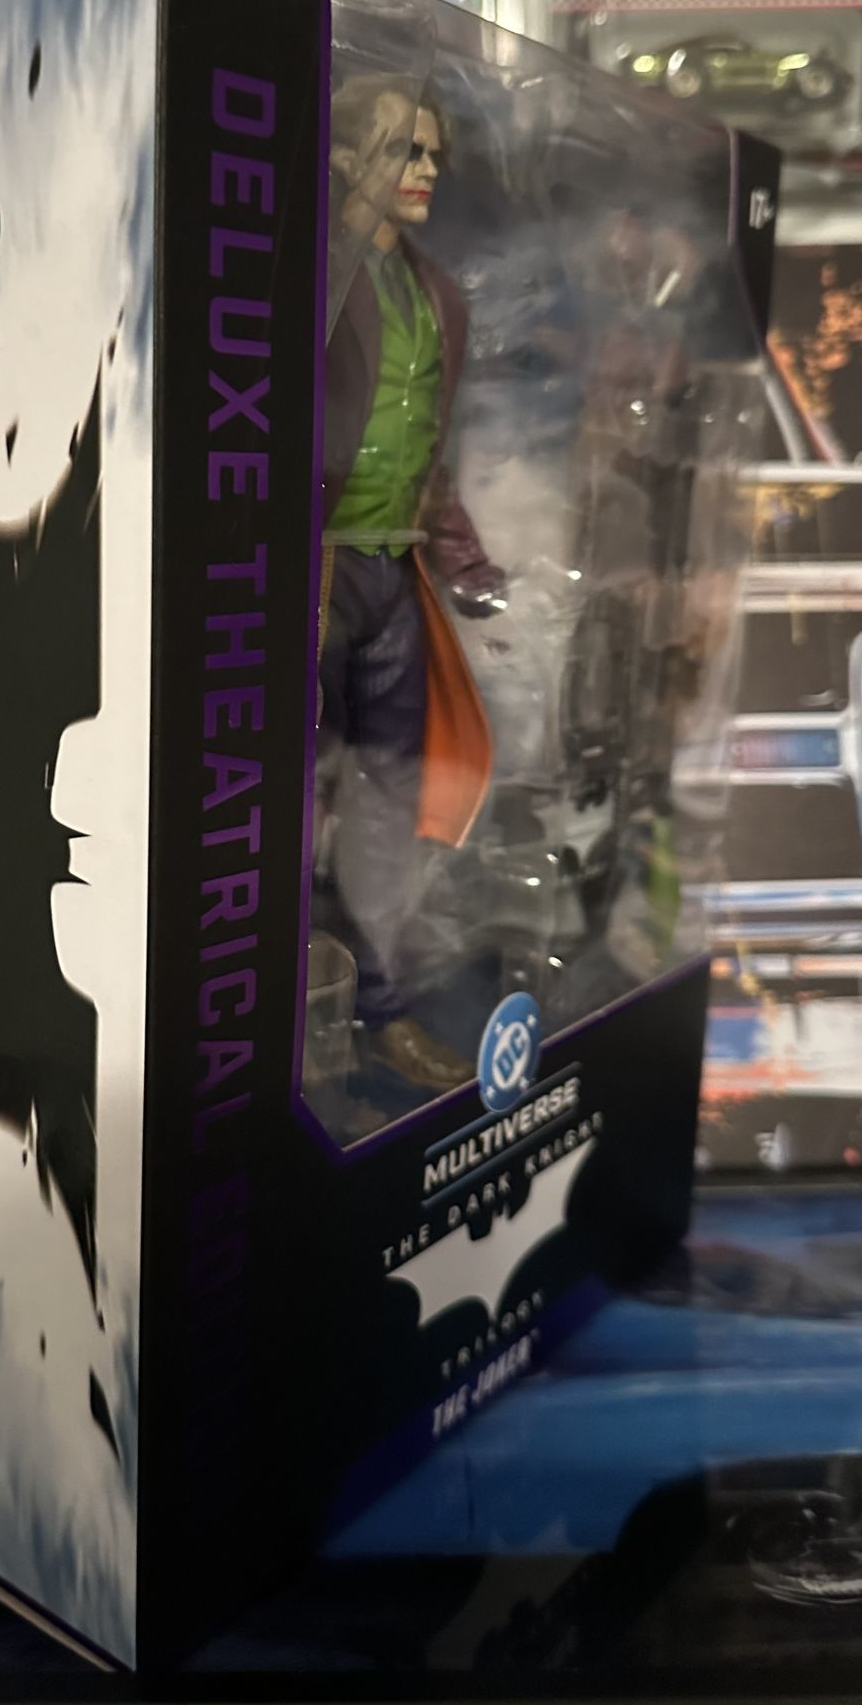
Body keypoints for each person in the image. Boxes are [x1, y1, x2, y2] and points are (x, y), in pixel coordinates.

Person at [319, 80, 503, 1093]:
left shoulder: (439, 296)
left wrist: (466, 563)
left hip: (390, 571)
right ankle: (288, 1017)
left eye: (433, 153)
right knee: (289, 802)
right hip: (309, 576)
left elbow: (436, 454)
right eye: (406, 150)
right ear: (348, 158)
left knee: (390, 798)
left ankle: (381, 1009)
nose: (427, 169)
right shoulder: (307, 276)